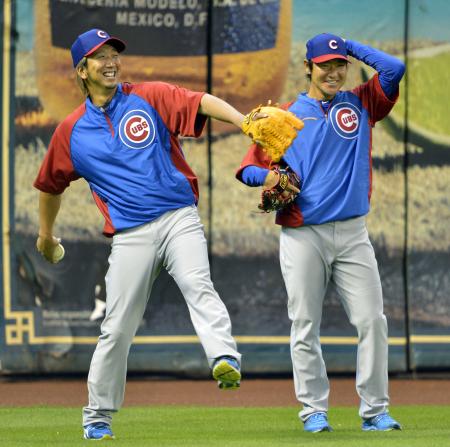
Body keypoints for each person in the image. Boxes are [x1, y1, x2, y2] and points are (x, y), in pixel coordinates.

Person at [34, 28, 248, 441]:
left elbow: (200, 101)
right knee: (117, 327)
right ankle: (97, 417)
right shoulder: (72, 132)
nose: (111, 61)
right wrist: (45, 235)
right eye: (100, 57)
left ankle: (224, 357)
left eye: (114, 53)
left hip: (177, 217)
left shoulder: (148, 96)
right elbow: (50, 186)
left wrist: (243, 121)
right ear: (82, 70)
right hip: (131, 235)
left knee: (196, 282)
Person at [236, 33, 405, 433]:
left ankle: (375, 411)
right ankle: (314, 409)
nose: (332, 72)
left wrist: (350, 46)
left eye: (339, 64)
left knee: (372, 321)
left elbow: (394, 69)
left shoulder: (362, 103)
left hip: (352, 233)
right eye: (324, 64)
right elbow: (247, 169)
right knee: (305, 323)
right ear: (308, 68)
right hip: (302, 234)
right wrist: (272, 174)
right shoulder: (285, 115)